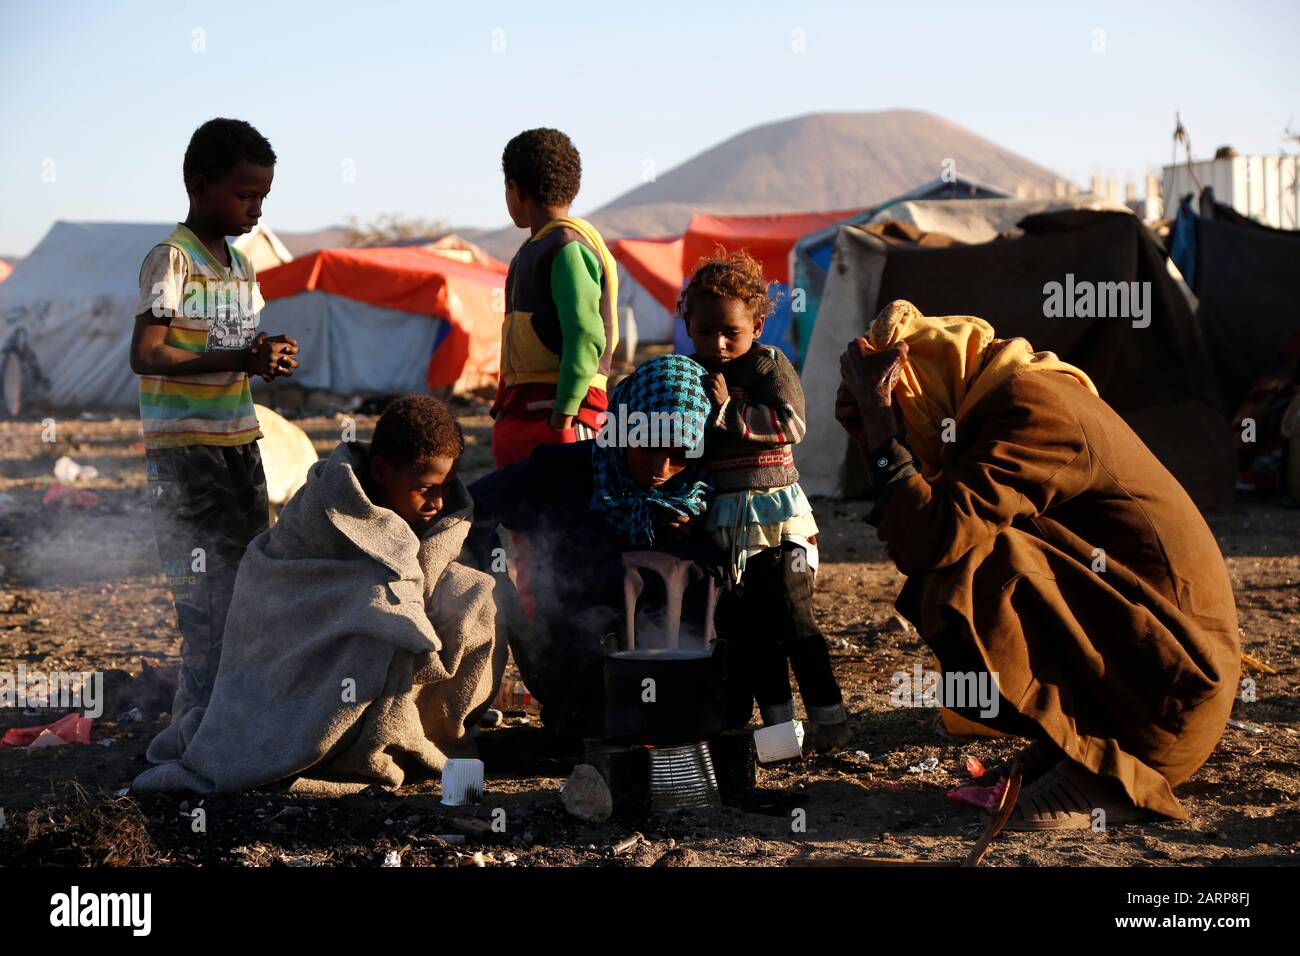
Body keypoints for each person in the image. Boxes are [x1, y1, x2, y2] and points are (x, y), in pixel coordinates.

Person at [836, 299, 1241, 829]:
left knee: (973, 561)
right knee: (965, 546)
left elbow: (932, 538)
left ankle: (1108, 778)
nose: (909, 433)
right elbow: (918, 526)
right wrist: (879, 439)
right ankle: (1074, 743)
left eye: (903, 413)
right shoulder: (998, 400)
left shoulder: (1032, 406)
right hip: (1163, 674)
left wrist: (886, 441)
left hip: (1174, 697)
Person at [133, 397, 505, 795]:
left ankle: (432, 729)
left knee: (478, 595)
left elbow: (433, 571)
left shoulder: (437, 513)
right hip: (306, 678)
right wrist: (383, 609)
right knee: (377, 616)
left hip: (405, 674)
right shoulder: (324, 505)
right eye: (425, 489)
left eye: (446, 489)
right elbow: (282, 585)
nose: (438, 503)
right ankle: (341, 747)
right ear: (380, 470)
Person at [128, 117, 301, 720]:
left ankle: (239, 717)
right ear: (199, 186)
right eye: (244, 195)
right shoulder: (171, 260)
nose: (255, 209)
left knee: (248, 582)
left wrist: (264, 357)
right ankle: (197, 727)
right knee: (203, 598)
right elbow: (147, 353)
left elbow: (229, 353)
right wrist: (239, 356)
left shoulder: (241, 268)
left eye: (263, 198)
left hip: (239, 443)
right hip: (185, 453)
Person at [468, 355, 730, 740]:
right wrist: (501, 594)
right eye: (648, 446)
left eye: (679, 453)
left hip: (689, 706)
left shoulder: (712, 491)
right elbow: (471, 509)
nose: (660, 468)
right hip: (578, 685)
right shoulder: (566, 471)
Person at [681, 251, 848, 750]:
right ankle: (780, 734)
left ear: (756, 325)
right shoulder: (688, 372)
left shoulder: (768, 364)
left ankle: (831, 721)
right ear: (687, 322)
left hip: (779, 519)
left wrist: (727, 409)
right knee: (749, 632)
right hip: (723, 523)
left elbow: (791, 424)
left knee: (795, 618)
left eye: (730, 331)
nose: (718, 343)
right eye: (705, 330)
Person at [492, 127, 619, 468]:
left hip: (563, 412)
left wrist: (563, 416)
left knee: (561, 517)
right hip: (532, 409)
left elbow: (586, 335)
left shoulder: (567, 248)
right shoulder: (538, 247)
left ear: (514, 189)